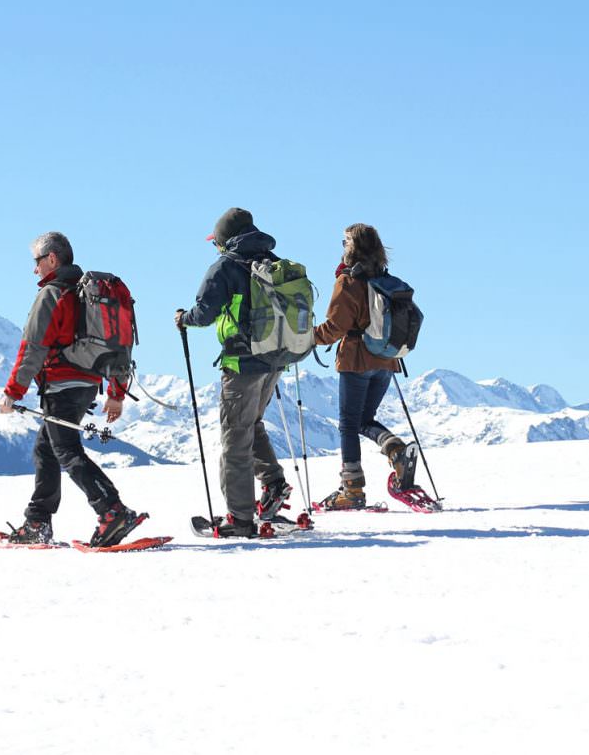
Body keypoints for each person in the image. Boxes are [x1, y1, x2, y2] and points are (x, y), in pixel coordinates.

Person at [0, 231, 141, 547]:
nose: (34, 270)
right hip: (88, 384)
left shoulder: (53, 294)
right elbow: (120, 347)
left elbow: (33, 347)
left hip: (61, 384)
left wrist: (13, 391)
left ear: (52, 259)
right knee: (46, 449)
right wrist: (116, 392)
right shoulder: (87, 295)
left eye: (36, 262)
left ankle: (111, 510)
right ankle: (37, 522)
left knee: (65, 450)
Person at [175, 208, 292, 537]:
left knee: (235, 439)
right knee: (251, 425)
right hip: (274, 362)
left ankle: (239, 519)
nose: (216, 248)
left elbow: (204, 312)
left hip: (242, 364)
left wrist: (183, 318)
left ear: (225, 239)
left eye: (217, 242)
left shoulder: (226, 265)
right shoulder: (274, 262)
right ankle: (273, 484)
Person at [311, 223, 420, 510]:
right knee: (363, 420)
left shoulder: (349, 281)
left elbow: (335, 326)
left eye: (344, 241)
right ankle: (395, 450)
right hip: (387, 360)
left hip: (356, 358)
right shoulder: (385, 280)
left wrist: (308, 337)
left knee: (348, 424)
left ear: (352, 246)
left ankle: (352, 489)